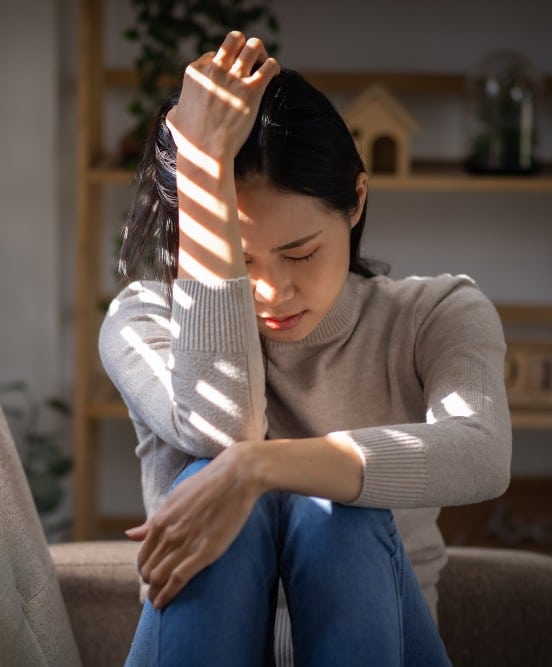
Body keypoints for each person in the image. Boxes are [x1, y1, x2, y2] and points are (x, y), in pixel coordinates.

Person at [99, 31, 512, 666]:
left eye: (300, 253)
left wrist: (262, 467)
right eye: (241, 261)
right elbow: (222, 429)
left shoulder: (434, 314)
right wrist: (203, 167)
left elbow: (482, 451)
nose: (272, 291)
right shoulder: (144, 320)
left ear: (356, 200)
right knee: (212, 474)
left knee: (340, 507)